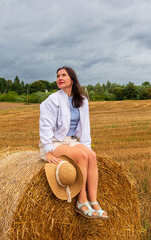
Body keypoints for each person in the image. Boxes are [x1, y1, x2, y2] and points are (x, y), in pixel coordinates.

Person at [39, 66, 108, 219]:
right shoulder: (53, 100)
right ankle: (81, 201)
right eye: (57, 76)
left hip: (72, 141)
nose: (59, 78)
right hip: (55, 141)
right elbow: (45, 125)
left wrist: (87, 148)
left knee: (91, 156)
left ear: (72, 79)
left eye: (63, 75)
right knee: (81, 157)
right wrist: (48, 151)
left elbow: (85, 127)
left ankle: (94, 201)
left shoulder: (82, 100)